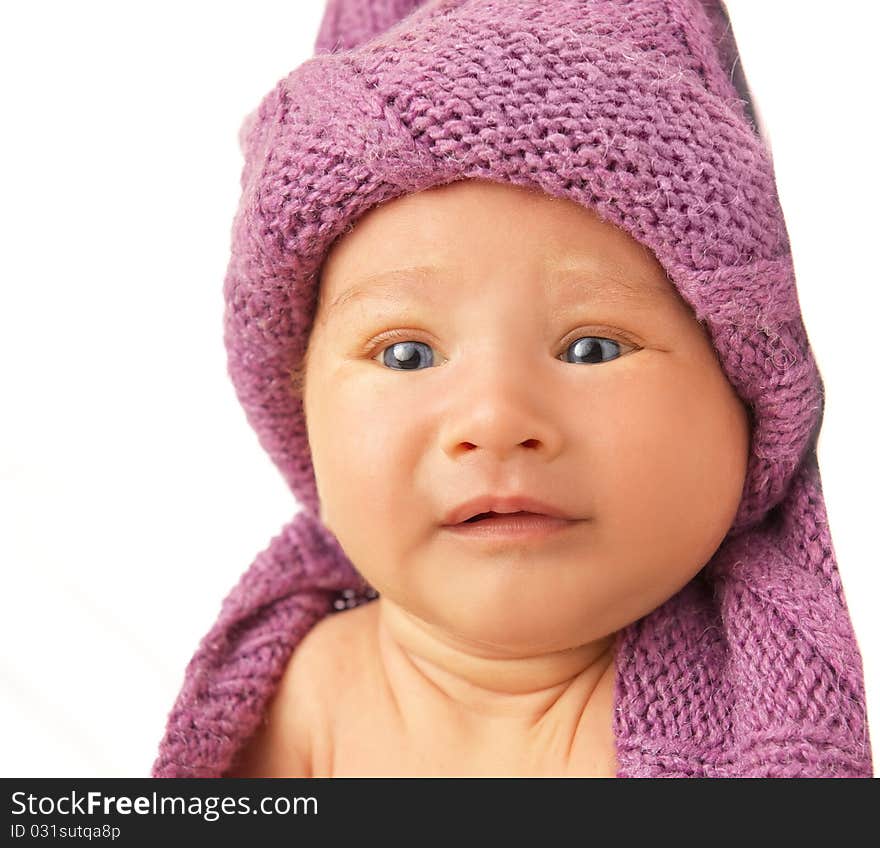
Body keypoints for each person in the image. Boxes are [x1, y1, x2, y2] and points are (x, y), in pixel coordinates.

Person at [151, 0, 873, 778]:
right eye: (405, 355)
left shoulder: (788, 697)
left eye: (592, 348)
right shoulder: (302, 700)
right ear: (298, 407)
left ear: (748, 389)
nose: (494, 421)